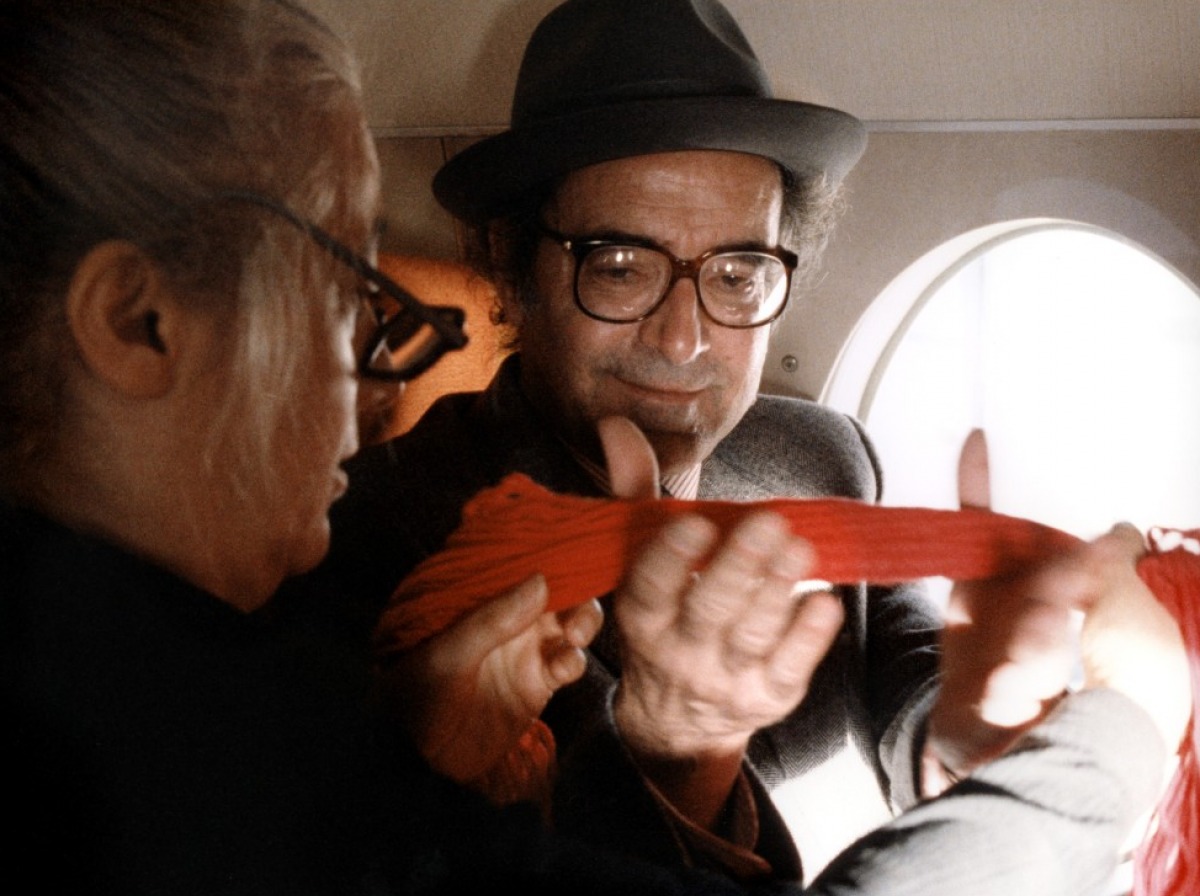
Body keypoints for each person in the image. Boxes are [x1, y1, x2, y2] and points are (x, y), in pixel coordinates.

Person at [1, 2, 1186, 896]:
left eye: (737, 272)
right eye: (619, 265)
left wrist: (976, 729)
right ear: (514, 269)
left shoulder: (828, 459)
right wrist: (1122, 727)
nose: (684, 335)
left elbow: (923, 695)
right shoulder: (370, 555)